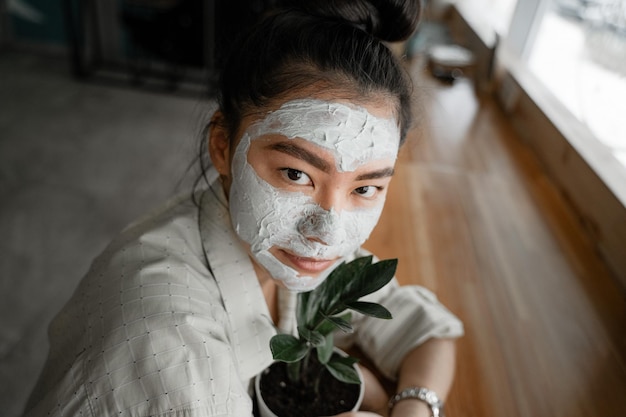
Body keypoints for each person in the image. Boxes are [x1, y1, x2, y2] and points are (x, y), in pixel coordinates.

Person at [23, 1, 464, 416]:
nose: (328, 231)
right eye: (296, 175)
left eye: (365, 188)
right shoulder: (171, 354)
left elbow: (426, 330)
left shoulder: (293, 248)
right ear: (222, 144)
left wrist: (414, 405)